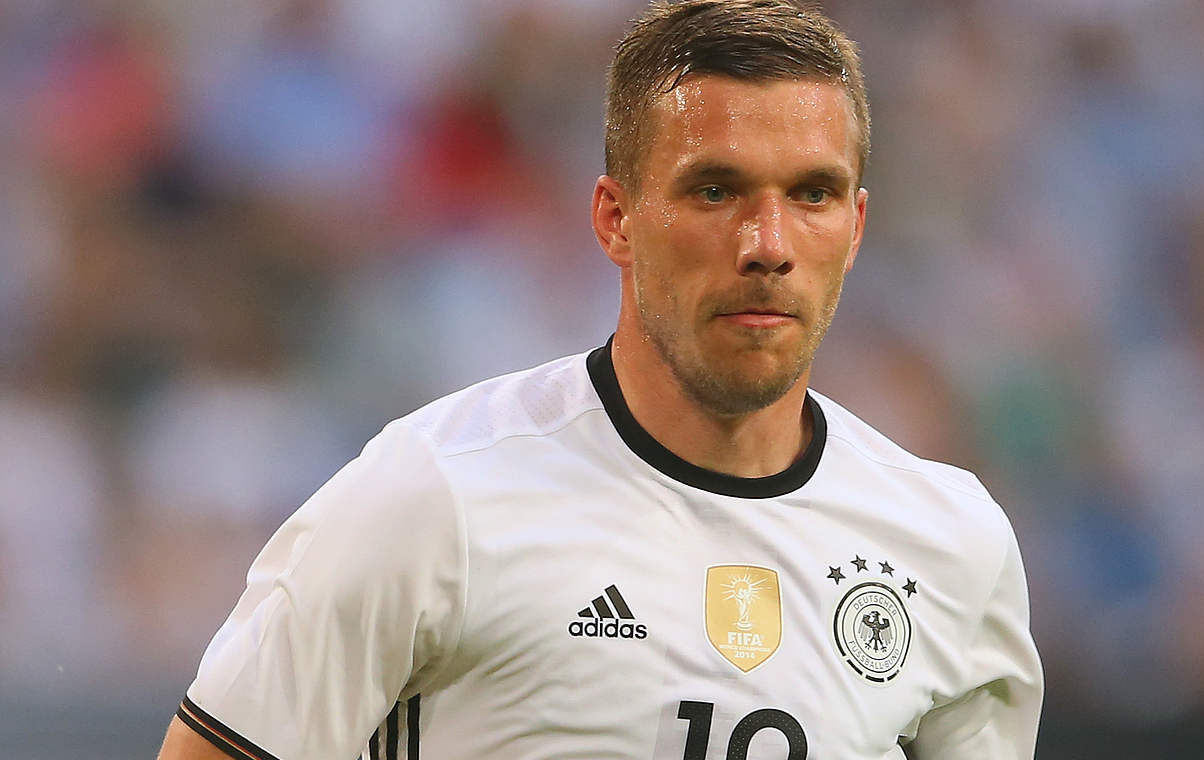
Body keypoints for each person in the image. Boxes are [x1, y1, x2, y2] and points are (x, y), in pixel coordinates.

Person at [156, 1, 1043, 758]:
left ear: (855, 229)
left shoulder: (950, 548)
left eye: (812, 194)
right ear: (616, 219)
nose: (768, 245)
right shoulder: (435, 497)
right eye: (715, 191)